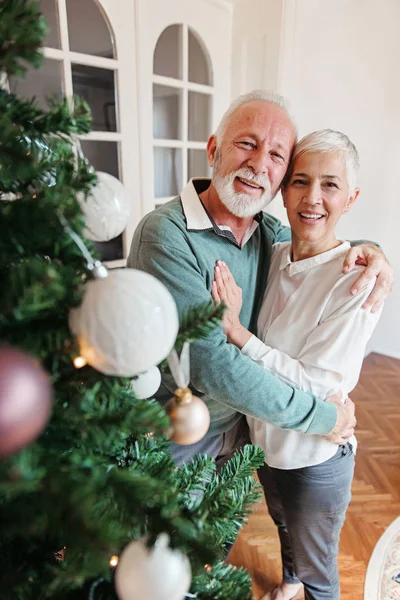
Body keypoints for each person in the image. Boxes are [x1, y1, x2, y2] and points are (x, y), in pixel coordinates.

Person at [127, 90, 393, 468]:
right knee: (171, 528)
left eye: (276, 156)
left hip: (243, 428)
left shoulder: (267, 233)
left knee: (226, 526)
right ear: (214, 149)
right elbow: (210, 363)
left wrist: (373, 250)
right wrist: (320, 418)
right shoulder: (166, 234)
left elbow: (321, 245)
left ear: (282, 177)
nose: (258, 164)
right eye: (247, 144)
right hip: (177, 434)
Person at [211, 129, 383, 600]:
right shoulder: (278, 251)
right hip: (266, 442)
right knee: (283, 526)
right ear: (282, 189)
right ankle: (289, 582)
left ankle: (303, 584)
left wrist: (238, 335)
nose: (312, 198)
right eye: (300, 181)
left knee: (321, 572)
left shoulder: (356, 282)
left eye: (330, 185)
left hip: (315, 459)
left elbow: (311, 386)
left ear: (351, 197)